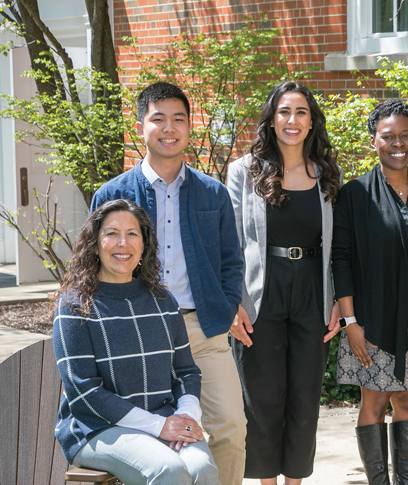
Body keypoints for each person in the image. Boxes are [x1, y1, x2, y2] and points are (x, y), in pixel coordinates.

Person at [90, 82, 247, 485]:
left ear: (190, 127)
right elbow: (96, 265)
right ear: (140, 126)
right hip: (139, 330)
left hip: (202, 329)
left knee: (230, 426)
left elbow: (231, 260)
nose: (169, 128)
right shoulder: (113, 194)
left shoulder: (212, 192)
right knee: (154, 435)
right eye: (158, 118)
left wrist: (227, 304)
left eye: (179, 119)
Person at [225, 81, 342, 485]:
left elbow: (336, 245)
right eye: (284, 112)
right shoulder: (244, 170)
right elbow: (232, 242)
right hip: (262, 292)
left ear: (311, 122)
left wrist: (338, 302)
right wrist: (234, 301)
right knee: (261, 397)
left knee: (305, 397)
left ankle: (295, 481)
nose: (292, 120)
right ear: (272, 120)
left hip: (313, 290)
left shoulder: (328, 172)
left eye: (301, 112)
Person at [54, 199, 219, 485]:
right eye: (111, 233)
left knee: (202, 468)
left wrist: (186, 418)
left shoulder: (164, 302)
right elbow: (83, 392)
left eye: (132, 234)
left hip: (164, 418)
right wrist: (159, 426)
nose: (123, 243)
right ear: (94, 244)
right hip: (96, 428)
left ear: (144, 245)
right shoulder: (74, 306)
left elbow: (186, 372)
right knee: (168, 470)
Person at [332, 98, 408, 485]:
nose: (398, 144)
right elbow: (342, 258)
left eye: (405, 136)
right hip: (373, 310)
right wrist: (350, 321)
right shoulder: (355, 194)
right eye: (388, 137)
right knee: (376, 398)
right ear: (373, 141)